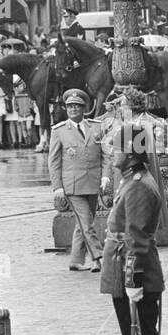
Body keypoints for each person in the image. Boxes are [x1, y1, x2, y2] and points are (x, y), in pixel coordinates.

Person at [99, 123, 168, 335]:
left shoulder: (138, 185)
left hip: (136, 277)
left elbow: (136, 239)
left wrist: (132, 281)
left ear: (130, 154)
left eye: (117, 147)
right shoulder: (132, 180)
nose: (112, 152)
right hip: (126, 272)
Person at [49, 89, 108, 272]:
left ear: (84, 109)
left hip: (93, 182)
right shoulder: (59, 131)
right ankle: (98, 258)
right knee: (86, 223)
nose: (73, 109)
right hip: (72, 186)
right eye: (70, 107)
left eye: (77, 106)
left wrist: (106, 175)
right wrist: (57, 187)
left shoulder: (96, 127)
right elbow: (53, 161)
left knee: (82, 224)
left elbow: (105, 155)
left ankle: (75, 260)